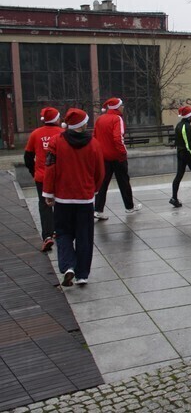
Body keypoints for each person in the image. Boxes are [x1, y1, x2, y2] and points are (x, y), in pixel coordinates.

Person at [42, 108, 105, 287]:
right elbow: (100, 171)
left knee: (63, 233)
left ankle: (68, 265)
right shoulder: (94, 144)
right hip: (84, 199)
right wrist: (94, 190)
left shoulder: (56, 142)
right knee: (84, 236)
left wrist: (48, 193)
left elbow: (50, 168)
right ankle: (82, 274)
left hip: (63, 198)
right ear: (84, 124)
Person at [93, 97, 142, 220]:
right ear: (117, 107)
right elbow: (118, 138)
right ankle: (129, 207)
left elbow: (95, 137)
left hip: (103, 157)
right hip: (117, 157)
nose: (123, 107)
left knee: (102, 184)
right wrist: (123, 153)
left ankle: (98, 210)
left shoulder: (99, 119)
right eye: (122, 105)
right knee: (124, 182)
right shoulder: (117, 119)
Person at [24, 107, 64, 252]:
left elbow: (28, 157)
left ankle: (47, 236)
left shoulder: (35, 134)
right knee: (60, 204)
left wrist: (34, 170)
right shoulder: (62, 134)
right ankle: (59, 231)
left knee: (44, 205)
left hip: (42, 176)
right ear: (56, 119)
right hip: (60, 176)